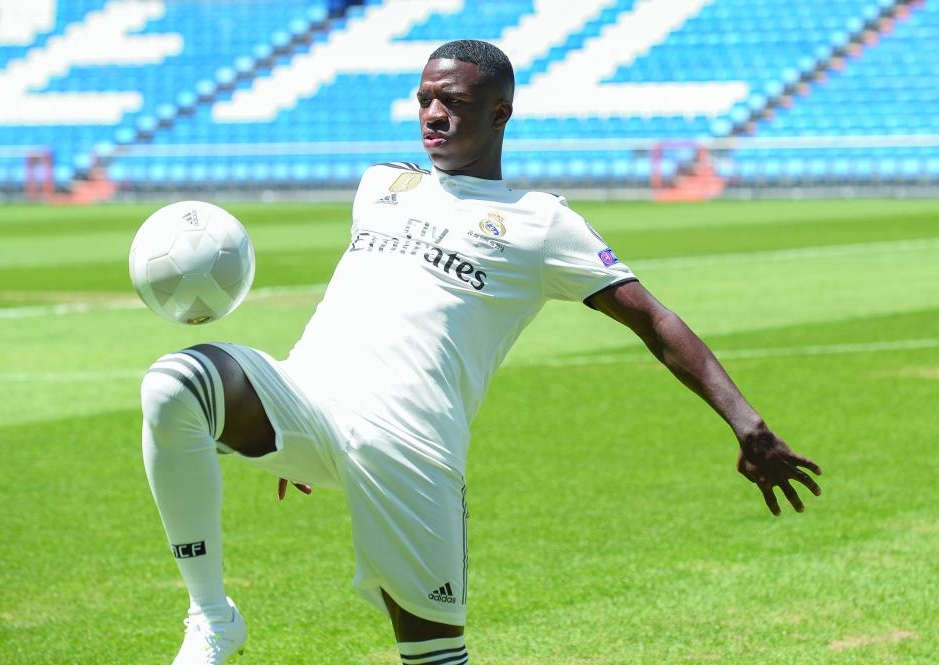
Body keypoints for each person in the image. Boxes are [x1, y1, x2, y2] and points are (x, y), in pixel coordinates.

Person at [140, 39, 822, 665]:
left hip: (412, 452)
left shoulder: (542, 222)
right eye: (425, 101)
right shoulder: (381, 182)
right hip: (307, 400)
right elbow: (356, 297)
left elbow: (656, 321)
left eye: (454, 103)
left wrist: (745, 420)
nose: (433, 115)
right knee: (176, 382)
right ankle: (211, 614)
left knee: (435, 657)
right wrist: (283, 416)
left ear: (500, 114)